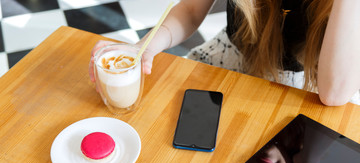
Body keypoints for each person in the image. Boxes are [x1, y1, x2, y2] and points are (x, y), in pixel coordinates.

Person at [89, 0, 360, 106]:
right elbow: (191, 10)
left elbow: (333, 93)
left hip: (300, 91)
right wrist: (143, 47)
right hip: (229, 58)